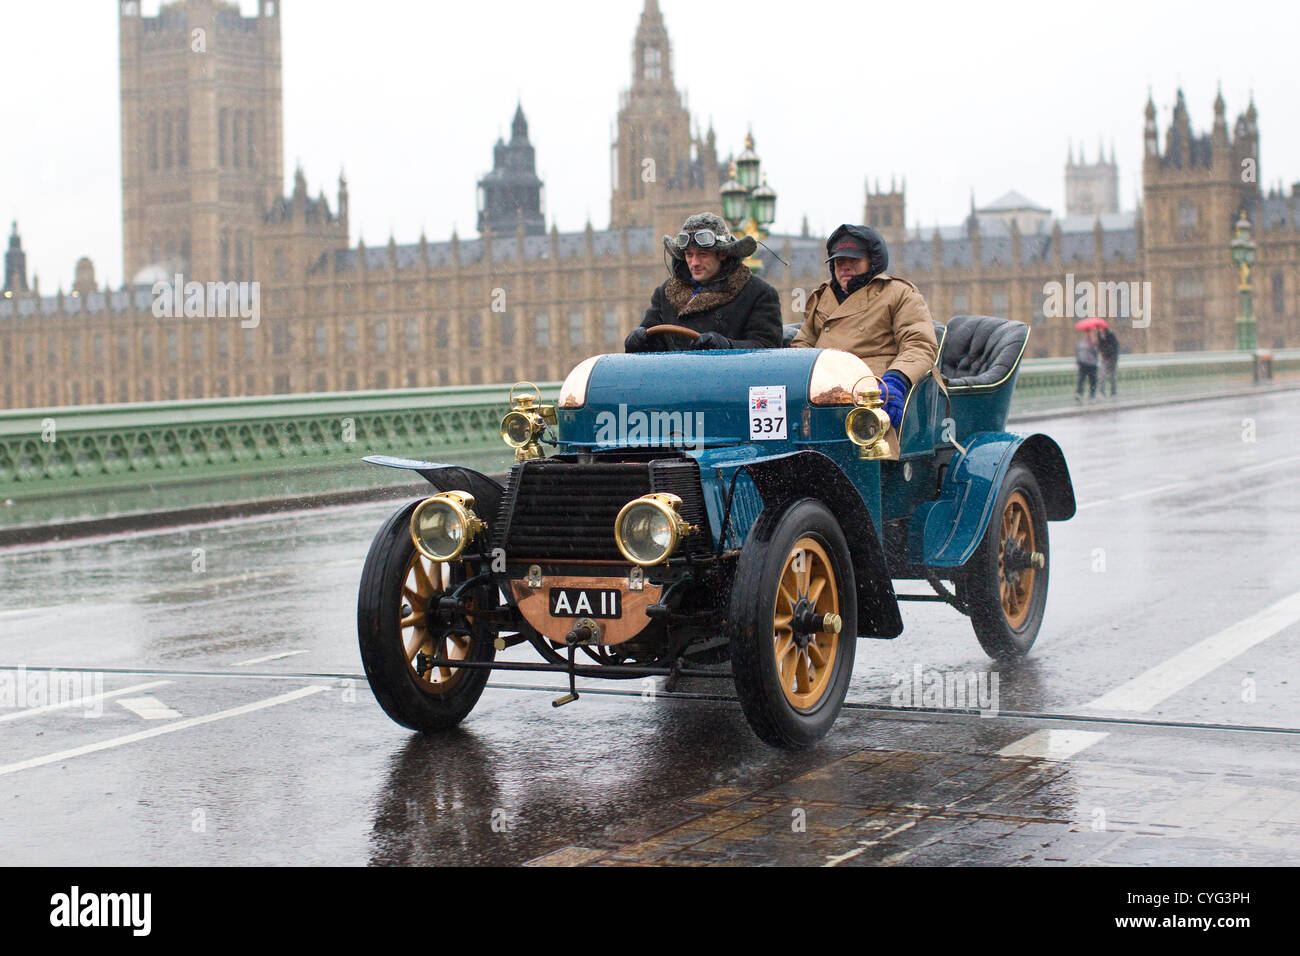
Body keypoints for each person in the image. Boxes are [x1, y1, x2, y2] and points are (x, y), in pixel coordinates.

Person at [790, 224, 938, 452]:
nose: (844, 267)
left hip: (873, 394)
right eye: (839, 262)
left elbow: (919, 344)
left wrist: (896, 381)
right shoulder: (822, 298)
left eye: (853, 260)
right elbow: (802, 346)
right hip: (823, 397)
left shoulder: (899, 293)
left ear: (873, 261)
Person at [625, 212, 782, 353]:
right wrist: (638, 341)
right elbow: (653, 343)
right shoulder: (665, 293)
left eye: (703, 254)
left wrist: (727, 346)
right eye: (689, 254)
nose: (694, 262)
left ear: (722, 254)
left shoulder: (758, 293)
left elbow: (768, 349)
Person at [1075, 330, 1099, 402]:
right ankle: (1079, 394)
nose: (1087, 334)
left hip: (1092, 364)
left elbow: (1097, 352)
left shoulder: (1094, 341)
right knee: (1081, 380)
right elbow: (1078, 351)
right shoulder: (1082, 341)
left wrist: (1093, 344)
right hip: (1083, 363)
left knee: (1092, 381)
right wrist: (1078, 361)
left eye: (1088, 332)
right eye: (1086, 333)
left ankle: (1092, 396)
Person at [1097, 325, 1119, 397]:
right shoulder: (1099, 335)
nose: (1099, 329)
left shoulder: (1110, 335)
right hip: (1104, 358)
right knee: (1101, 376)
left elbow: (1115, 347)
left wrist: (1113, 359)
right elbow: (1100, 346)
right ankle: (1102, 393)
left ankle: (1113, 393)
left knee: (1112, 377)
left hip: (1112, 359)